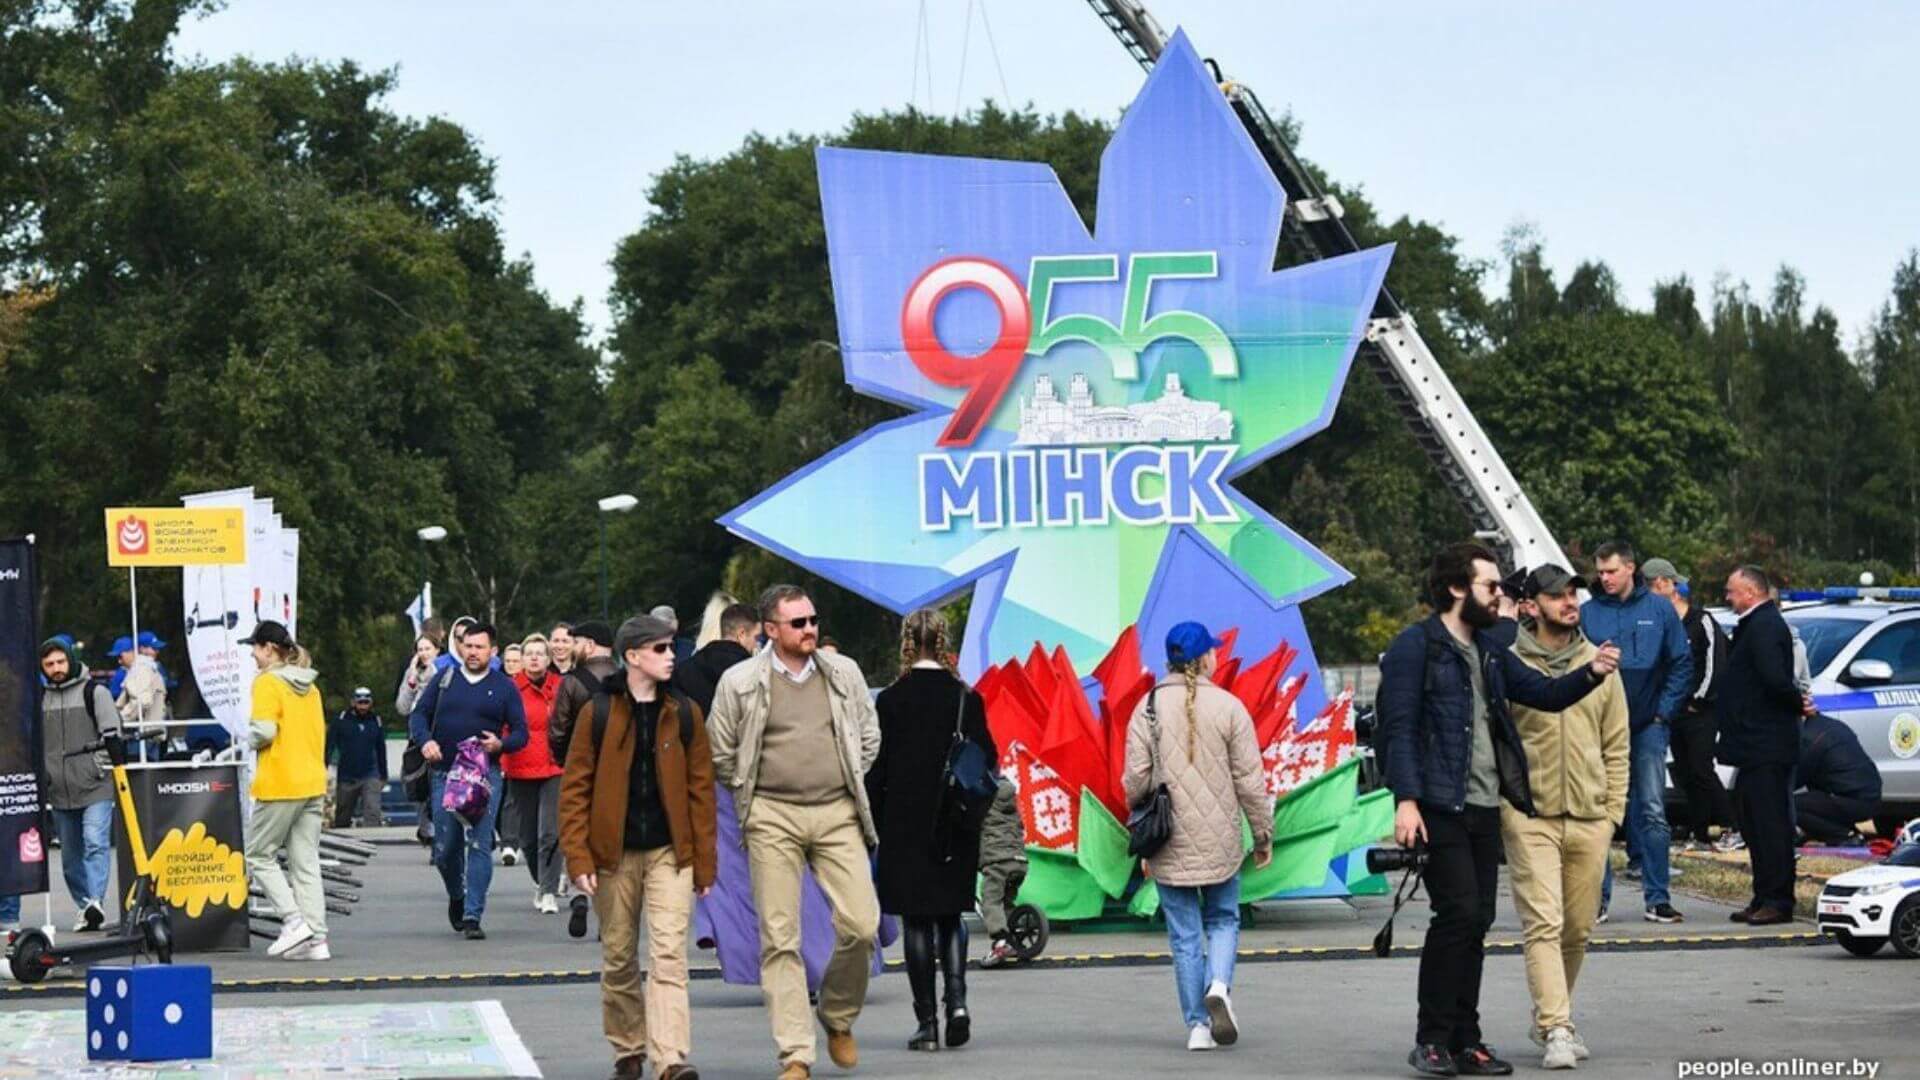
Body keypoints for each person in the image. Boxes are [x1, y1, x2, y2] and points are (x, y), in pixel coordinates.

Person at [1377, 542, 1621, 1078]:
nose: (1500, 597)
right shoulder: (1415, 647)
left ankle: (1468, 1040)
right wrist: (1406, 800)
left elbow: (1546, 693)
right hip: (1439, 803)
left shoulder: (1489, 650)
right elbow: (1396, 729)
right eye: (1491, 586)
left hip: (1486, 804)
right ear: (1458, 588)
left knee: (1479, 920)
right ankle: (1433, 1038)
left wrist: (1593, 673)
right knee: (1458, 914)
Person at [708, 585, 882, 1080]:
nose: (810, 630)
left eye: (812, 620)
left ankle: (838, 1016)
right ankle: (796, 1053)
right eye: (798, 623)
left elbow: (868, 736)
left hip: (836, 811)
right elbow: (720, 752)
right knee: (780, 937)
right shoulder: (740, 681)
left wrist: (845, 776)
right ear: (770, 629)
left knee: (861, 924)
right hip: (771, 814)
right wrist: (753, 795)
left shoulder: (843, 672)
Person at [561, 614, 717, 1080]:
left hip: (671, 852)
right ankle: (628, 1048)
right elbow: (574, 790)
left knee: (669, 955)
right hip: (614, 853)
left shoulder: (685, 712)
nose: (672, 657)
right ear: (632, 656)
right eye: (661, 649)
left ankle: (670, 1059)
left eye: (672, 648)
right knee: (619, 955)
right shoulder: (599, 712)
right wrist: (578, 855)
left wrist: (705, 864)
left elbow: (701, 791)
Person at [1122, 621, 1272, 1053]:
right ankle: (1220, 985)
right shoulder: (1229, 707)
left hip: (1168, 840)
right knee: (1223, 918)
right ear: (1205, 658)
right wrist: (1262, 833)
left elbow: (1135, 782)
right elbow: (1249, 780)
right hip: (1220, 837)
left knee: (1184, 936)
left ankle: (1197, 1028)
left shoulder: (1146, 708)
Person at [1501, 566, 1628, 1070]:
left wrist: (1611, 813)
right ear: (1530, 606)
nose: (1569, 601)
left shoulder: (1599, 664)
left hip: (1590, 815)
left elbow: (1617, 744)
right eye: (1556, 594)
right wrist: (1510, 806)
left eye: (1572, 592)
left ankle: (1547, 1014)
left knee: (1576, 928)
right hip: (1530, 815)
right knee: (1544, 924)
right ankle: (1557, 1026)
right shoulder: (1508, 664)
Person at [867, 609, 995, 1052]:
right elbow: (987, 760)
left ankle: (927, 1025)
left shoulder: (891, 701)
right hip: (955, 822)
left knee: (917, 922)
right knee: (950, 914)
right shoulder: (966, 699)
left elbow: (876, 769)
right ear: (945, 641)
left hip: (904, 823)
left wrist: (875, 820)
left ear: (906, 641)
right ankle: (957, 1002)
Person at [1580, 542, 1691, 924]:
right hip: (1598, 730)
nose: (1604, 578)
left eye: (1611, 570)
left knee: (1652, 811)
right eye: (1601, 571)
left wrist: (1662, 714)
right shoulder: (1588, 613)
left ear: (1630, 568)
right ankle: (1596, 900)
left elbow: (1681, 663)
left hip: (1647, 727)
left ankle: (1658, 898)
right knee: (1597, 813)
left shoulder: (1659, 609)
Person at [409, 622, 528, 939]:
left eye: (479, 647)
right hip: (445, 772)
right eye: (468, 645)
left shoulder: (504, 687)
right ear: (460, 647)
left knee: (479, 844)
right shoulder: (445, 679)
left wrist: (501, 745)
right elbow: (418, 715)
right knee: (446, 848)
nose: (473, 652)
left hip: (484, 775)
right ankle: (457, 896)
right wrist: (425, 742)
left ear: (493, 651)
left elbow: (521, 733)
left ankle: (473, 915)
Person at [240, 620, 331, 961]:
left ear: (269, 649)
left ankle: (293, 922)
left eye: (255, 647)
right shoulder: (310, 687)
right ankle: (317, 939)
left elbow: (263, 732)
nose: (252, 654)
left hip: (280, 782)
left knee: (258, 854)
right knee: (305, 861)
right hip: (312, 781)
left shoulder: (267, 683)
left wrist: (241, 742)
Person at [1718, 566, 1802, 925]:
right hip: (1753, 744)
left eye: (1731, 591)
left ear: (1751, 592)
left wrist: (1797, 701)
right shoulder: (1755, 624)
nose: (1727, 597)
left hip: (1767, 741)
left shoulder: (1766, 626)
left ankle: (1778, 899)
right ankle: (1762, 894)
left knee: (1770, 824)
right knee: (1752, 821)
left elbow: (1775, 679)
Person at [1643, 558, 1734, 852]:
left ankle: (1732, 824)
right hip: (1673, 710)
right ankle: (1699, 832)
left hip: (1701, 711)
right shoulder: (1661, 625)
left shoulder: (1702, 621)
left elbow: (1715, 663)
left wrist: (1700, 699)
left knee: (1701, 768)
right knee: (1683, 770)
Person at [37, 637, 119, 932]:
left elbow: (112, 733)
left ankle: (95, 900)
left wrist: (104, 768)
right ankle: (86, 907)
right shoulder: (39, 698)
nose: (56, 668)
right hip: (58, 789)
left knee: (95, 842)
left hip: (95, 784)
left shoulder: (94, 692)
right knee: (70, 857)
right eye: (49, 664)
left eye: (60, 662)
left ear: (70, 660)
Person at [504, 634, 566, 912]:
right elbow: (502, 728)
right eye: (529, 653)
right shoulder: (511, 689)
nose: (534, 657)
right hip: (521, 765)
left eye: (540, 653)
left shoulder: (561, 687)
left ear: (549, 658)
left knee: (550, 832)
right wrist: (503, 760)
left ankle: (550, 891)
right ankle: (542, 881)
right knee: (527, 838)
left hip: (555, 766)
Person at [1795, 712, 1881, 846]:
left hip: (1851, 799)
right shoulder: (1829, 725)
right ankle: (1824, 831)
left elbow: (1794, 779)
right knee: (1812, 797)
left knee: (1789, 805)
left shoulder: (1810, 738)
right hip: (1868, 794)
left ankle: (1844, 835)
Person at [397, 631, 445, 845]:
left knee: (438, 784)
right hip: (417, 739)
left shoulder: (444, 671)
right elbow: (402, 707)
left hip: (440, 736)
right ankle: (427, 829)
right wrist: (412, 680)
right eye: (420, 650)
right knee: (418, 783)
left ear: (437, 651)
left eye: (428, 649)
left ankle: (438, 830)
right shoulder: (412, 673)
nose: (424, 654)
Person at [974, 776, 1027, 969]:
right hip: (1019, 861)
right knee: (1006, 900)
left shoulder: (984, 803)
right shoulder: (1011, 808)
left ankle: (1001, 942)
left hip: (997, 862)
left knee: (991, 900)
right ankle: (1015, 933)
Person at [551, 620, 618, 766]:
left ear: (590, 646)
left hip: (582, 763)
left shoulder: (572, 681)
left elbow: (558, 731)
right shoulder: (627, 677)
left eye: (576, 643)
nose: (573, 648)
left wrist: (565, 760)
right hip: (619, 764)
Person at [675, 603, 758, 716]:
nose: (756, 644)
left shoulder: (685, 668)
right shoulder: (751, 672)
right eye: (756, 637)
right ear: (741, 634)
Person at [326, 687, 388, 828]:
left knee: (373, 811)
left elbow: (380, 748)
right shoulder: (341, 720)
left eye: (366, 702)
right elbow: (329, 746)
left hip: (370, 773)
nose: (363, 706)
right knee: (343, 814)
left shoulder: (375, 721)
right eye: (360, 702)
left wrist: (383, 774)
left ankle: (374, 841)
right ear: (353, 702)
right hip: (347, 775)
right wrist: (325, 766)